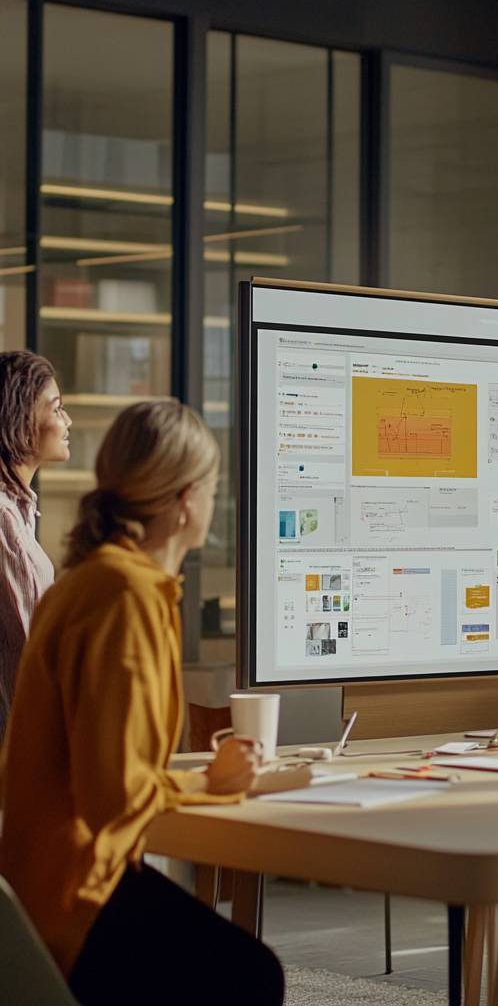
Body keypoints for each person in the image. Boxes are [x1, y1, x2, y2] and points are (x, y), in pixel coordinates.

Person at [0, 400, 284, 1006]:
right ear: (185, 500)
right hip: (73, 903)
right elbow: (114, 798)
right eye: (212, 487)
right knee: (252, 975)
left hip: (37, 892)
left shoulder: (94, 582)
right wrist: (213, 781)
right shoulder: (123, 595)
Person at [0, 350, 71, 740]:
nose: (67, 421)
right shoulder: (5, 520)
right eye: (57, 409)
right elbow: (29, 655)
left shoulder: (18, 512)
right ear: (22, 417)